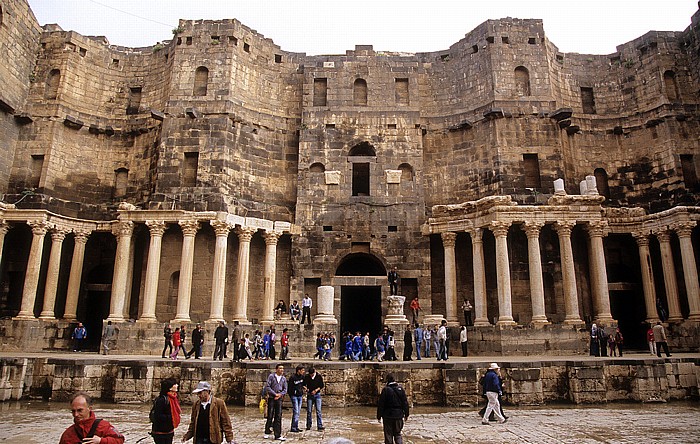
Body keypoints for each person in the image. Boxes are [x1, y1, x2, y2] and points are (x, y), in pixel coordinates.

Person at [59, 392, 124, 444]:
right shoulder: (67, 434)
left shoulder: (103, 426)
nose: (76, 414)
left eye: (80, 410)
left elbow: (120, 440)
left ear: (89, 408)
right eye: (73, 411)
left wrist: (100, 441)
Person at [376, 373, 409, 444]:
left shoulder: (385, 390)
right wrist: (406, 414)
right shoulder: (401, 389)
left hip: (388, 416)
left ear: (387, 380)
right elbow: (405, 403)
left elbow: (381, 405)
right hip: (398, 415)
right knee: (398, 434)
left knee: (388, 435)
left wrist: (379, 416)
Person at [150, 378, 181, 444]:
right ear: (170, 388)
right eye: (174, 384)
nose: (177, 385)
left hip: (169, 431)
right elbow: (157, 416)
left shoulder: (173, 398)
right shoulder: (161, 400)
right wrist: (171, 417)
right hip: (160, 432)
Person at [264, 364, 288, 441]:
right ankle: (267, 431)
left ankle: (277, 434)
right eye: (280, 368)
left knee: (278, 416)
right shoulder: (271, 376)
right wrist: (275, 394)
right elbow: (268, 386)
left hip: (279, 398)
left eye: (282, 368)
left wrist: (280, 394)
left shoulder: (283, 379)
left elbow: (285, 389)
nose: (282, 370)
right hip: (272, 397)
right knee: (270, 415)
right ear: (276, 369)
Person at [304, 366, 325, 431]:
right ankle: (308, 425)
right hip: (310, 394)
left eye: (312, 374)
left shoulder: (318, 376)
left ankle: (319, 425)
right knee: (309, 411)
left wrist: (315, 390)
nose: (311, 376)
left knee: (318, 411)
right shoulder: (307, 377)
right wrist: (306, 389)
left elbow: (321, 385)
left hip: (317, 395)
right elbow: (304, 385)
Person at [288, 365, 306, 433]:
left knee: (298, 411)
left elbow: (303, 384)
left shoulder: (302, 377)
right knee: (296, 411)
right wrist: (292, 394)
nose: (303, 372)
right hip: (294, 395)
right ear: (298, 370)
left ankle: (296, 425)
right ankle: (293, 427)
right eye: (302, 370)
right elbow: (289, 388)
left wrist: (304, 388)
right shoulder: (292, 378)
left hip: (300, 395)